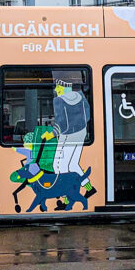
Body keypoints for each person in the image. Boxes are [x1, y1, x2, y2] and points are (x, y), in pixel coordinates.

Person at [51, 78, 96, 210]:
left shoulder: (59, 100)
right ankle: (89, 188)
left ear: (64, 88)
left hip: (67, 136)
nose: (55, 90)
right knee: (73, 164)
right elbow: (87, 116)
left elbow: (61, 124)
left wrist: (52, 134)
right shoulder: (81, 96)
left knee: (58, 166)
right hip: (81, 132)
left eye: (57, 87)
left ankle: (66, 200)